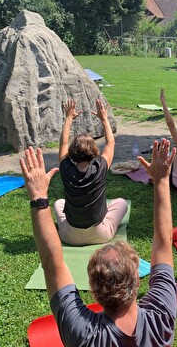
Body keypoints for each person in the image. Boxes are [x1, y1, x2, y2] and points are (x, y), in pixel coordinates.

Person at [21, 138, 177, 346]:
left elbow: (52, 263)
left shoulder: (83, 334)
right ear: (138, 282)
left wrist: (39, 197)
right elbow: (164, 243)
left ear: (93, 293)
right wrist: (162, 180)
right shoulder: (161, 318)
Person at [53, 98, 128, 246]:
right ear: (93, 150)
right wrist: (104, 118)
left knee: (58, 203)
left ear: (72, 152)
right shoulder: (100, 167)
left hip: (69, 236)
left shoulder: (66, 168)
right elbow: (110, 142)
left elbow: (63, 143)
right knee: (121, 203)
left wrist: (68, 118)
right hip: (100, 235)